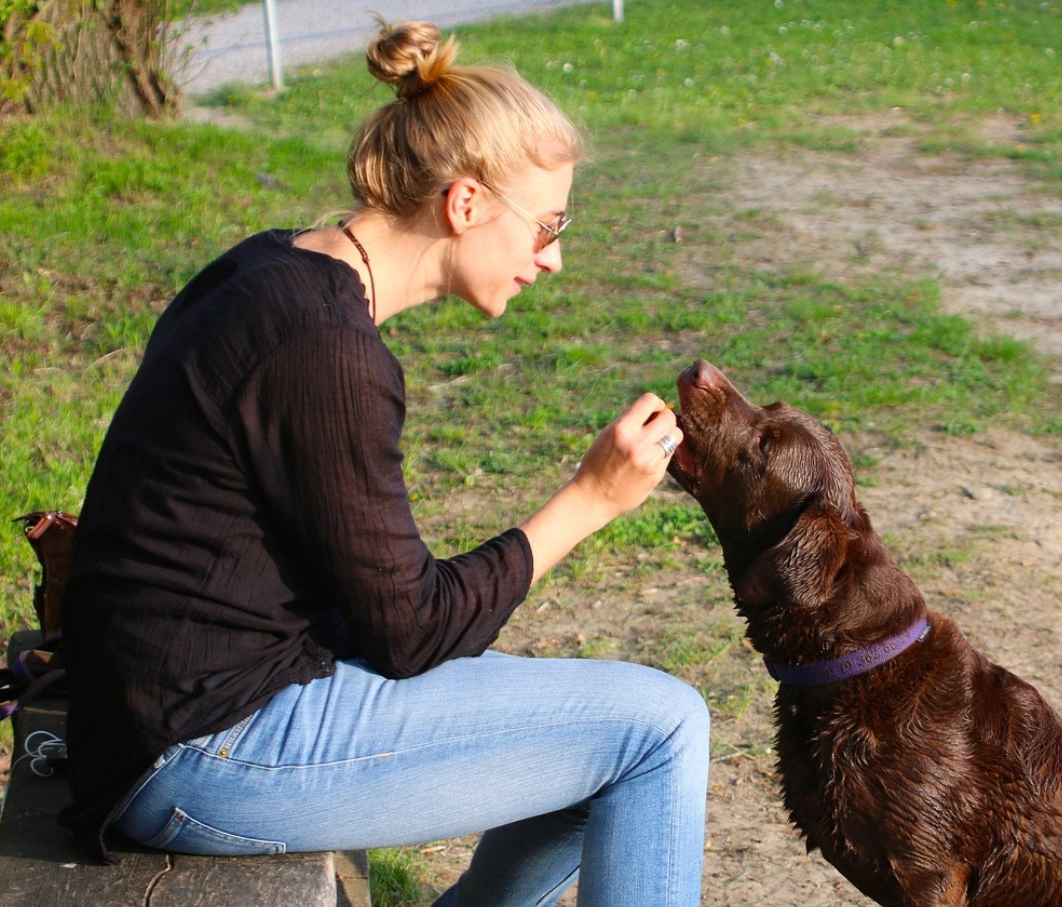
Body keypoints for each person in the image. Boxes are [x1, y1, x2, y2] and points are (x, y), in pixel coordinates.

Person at [58, 18, 709, 907]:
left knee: (601, 720)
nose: (553, 258)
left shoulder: (274, 268)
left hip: (174, 708)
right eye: (546, 226)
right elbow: (409, 633)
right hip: (199, 747)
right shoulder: (327, 351)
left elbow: (378, 606)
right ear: (465, 203)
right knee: (661, 727)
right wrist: (591, 499)